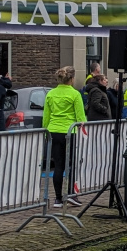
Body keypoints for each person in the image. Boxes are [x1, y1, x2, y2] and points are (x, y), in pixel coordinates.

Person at [43, 66, 86, 209]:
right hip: (69, 131)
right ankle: (71, 194)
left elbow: (46, 117)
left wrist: (45, 133)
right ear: (72, 79)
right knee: (72, 164)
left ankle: (58, 199)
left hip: (53, 131)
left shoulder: (51, 94)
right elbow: (81, 117)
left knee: (58, 166)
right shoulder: (75, 94)